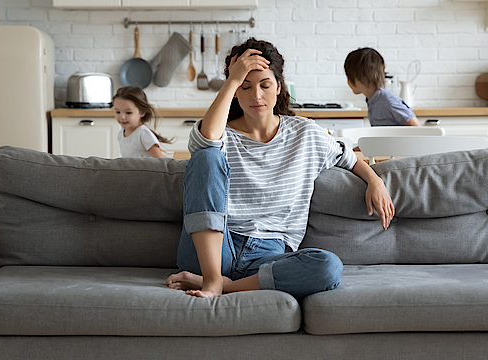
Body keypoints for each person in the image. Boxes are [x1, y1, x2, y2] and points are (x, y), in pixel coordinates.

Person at [166, 38, 395, 299]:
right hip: (214, 247)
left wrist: (375, 181)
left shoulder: (305, 134)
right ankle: (212, 277)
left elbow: (350, 159)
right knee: (206, 157)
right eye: (245, 85)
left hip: (269, 255)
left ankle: (221, 285)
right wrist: (232, 78)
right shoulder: (220, 134)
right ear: (235, 90)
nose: (256, 96)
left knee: (328, 266)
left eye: (265, 85)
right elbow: (205, 141)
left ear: (278, 87)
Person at [344, 47, 420, 126]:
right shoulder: (372, 100)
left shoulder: (389, 101)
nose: (348, 81)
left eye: (349, 76)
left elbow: (417, 128)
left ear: (361, 77)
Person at [113, 86, 173, 158]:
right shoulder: (121, 134)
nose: (122, 117)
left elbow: (161, 160)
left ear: (142, 112)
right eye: (118, 112)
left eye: (128, 112)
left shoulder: (143, 133)